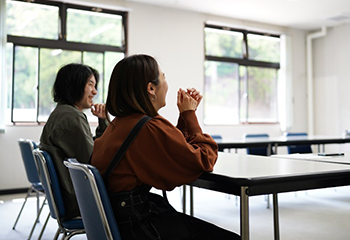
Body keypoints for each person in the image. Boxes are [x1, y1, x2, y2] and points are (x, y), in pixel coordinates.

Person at [91, 54, 241, 240]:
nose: (166, 83)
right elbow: (204, 159)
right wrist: (190, 115)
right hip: (138, 228)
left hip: (121, 220)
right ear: (151, 88)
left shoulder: (118, 125)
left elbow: (167, 150)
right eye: (164, 77)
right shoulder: (146, 127)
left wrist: (185, 117)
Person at [40, 63, 107, 220]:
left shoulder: (61, 112)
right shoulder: (72, 117)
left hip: (66, 197)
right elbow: (95, 160)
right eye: (90, 84)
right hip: (79, 200)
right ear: (74, 84)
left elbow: (91, 150)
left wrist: (102, 121)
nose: (95, 92)